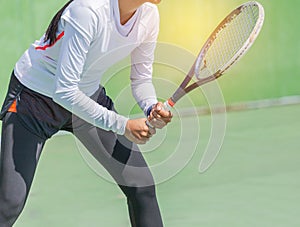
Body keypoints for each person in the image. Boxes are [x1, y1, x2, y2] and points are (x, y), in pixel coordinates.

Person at [0, 0, 173, 226]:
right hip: (34, 99)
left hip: (86, 97)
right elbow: (64, 91)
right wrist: (123, 125)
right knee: (9, 203)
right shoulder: (88, 10)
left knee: (140, 184)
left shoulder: (149, 15)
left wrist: (151, 106)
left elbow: (141, 79)